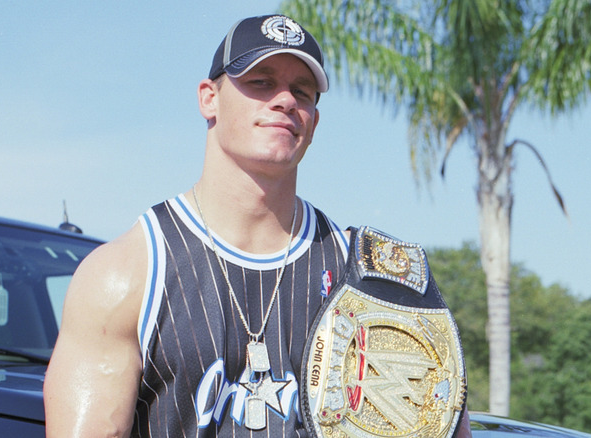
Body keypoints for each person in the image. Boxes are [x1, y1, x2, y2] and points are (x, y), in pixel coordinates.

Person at [44, 14, 472, 437]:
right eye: (261, 82)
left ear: (314, 122)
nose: (285, 100)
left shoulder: (374, 281)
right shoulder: (126, 274)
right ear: (208, 98)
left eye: (301, 91)